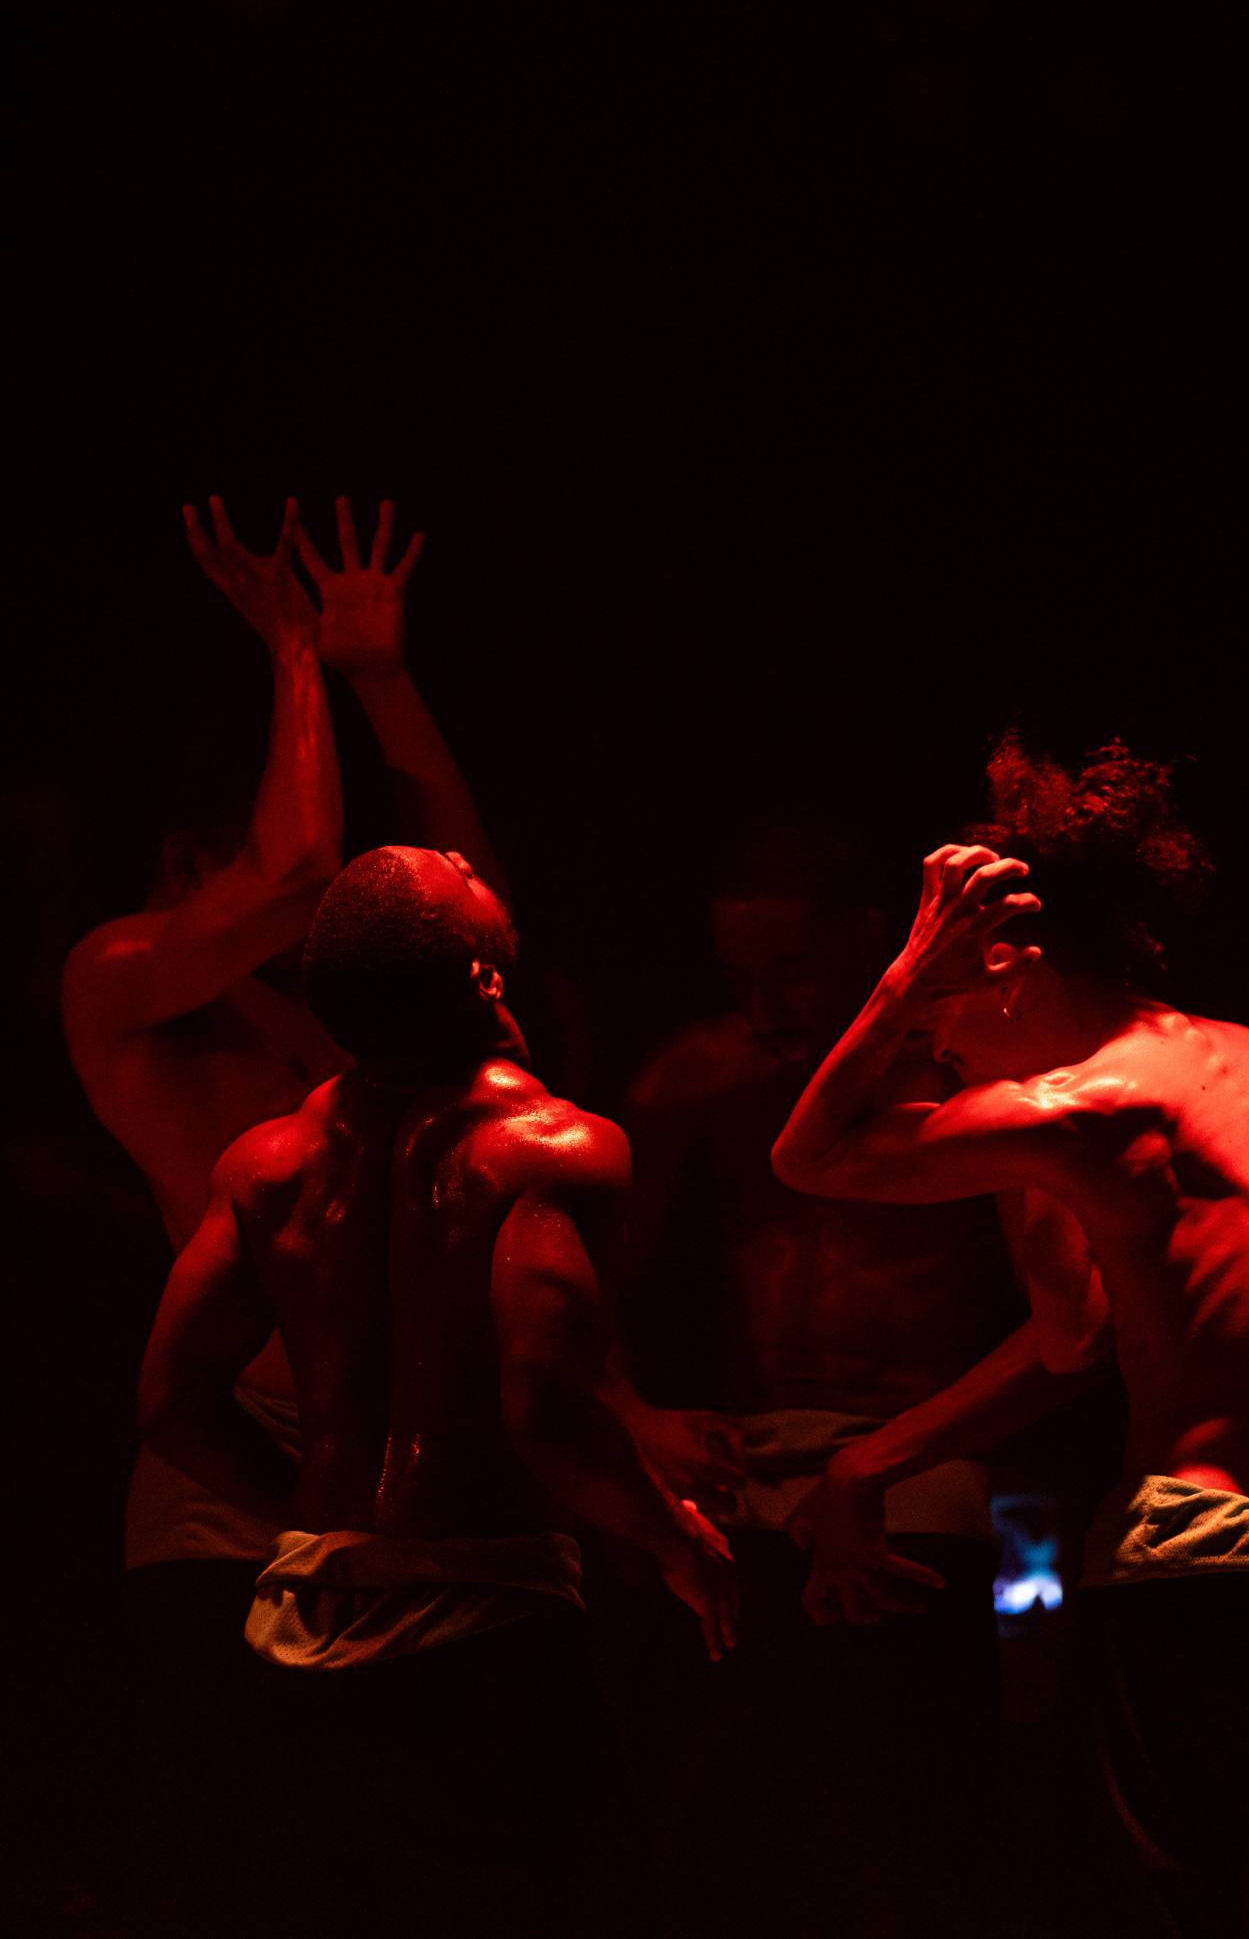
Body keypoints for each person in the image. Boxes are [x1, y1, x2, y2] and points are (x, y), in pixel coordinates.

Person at [772, 734, 1249, 1936]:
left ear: (1004, 962)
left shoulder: (1093, 1105)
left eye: (935, 1019)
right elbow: (1070, 1335)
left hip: (1189, 1584)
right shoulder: (1244, 1060)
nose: (931, 1051)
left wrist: (905, 970)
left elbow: (809, 1156)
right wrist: (866, 1463)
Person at [138, 845, 736, 1939]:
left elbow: (174, 1403)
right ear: (483, 977)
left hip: (299, 1637)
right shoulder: (552, 1150)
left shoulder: (266, 1164)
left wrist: (328, 1529)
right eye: (451, 870)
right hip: (481, 1640)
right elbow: (544, 1411)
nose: (462, 854)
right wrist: (675, 1542)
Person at [60, 495, 509, 1933]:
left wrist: (379, 676)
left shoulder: (354, 1023)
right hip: (224, 1493)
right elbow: (297, 870)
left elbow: (465, 902)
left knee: (408, 1866)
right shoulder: (119, 991)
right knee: (231, 1860)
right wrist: (293, 652)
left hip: (402, 1470)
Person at [606, 820, 1104, 1938]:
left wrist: (879, 1463)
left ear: (871, 940)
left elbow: (1071, 1335)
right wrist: (636, 1417)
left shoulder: (971, 1077)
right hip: (745, 1462)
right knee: (719, 1819)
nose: (764, 1008)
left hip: (919, 1457)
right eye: (738, 978)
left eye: (790, 973)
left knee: (906, 1818)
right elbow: (574, 1293)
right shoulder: (699, 1074)